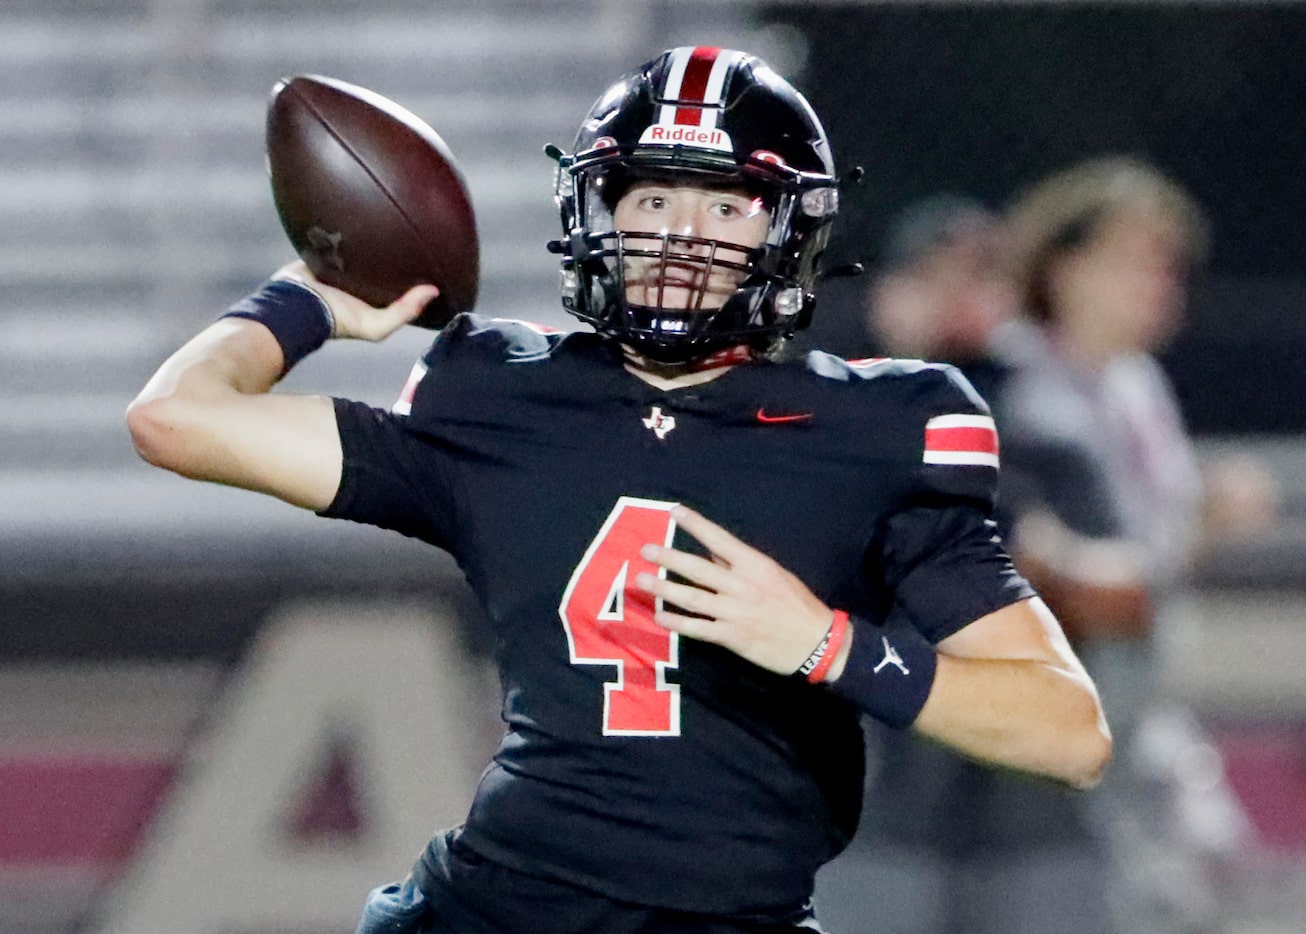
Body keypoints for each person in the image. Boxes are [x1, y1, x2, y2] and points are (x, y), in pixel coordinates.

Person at [127, 47, 1111, 934]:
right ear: (598, 214)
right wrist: (308, 295)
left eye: (725, 206)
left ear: (788, 231)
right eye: (651, 201)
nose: (682, 237)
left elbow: (1065, 730)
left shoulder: (877, 426)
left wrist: (824, 642)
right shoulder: (501, 393)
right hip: (494, 909)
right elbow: (176, 419)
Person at [814, 194, 1121, 934]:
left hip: (1031, 806)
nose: (956, 299)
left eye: (979, 278)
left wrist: (1046, 559)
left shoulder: (1050, 444)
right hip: (872, 805)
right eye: (933, 278)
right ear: (888, 293)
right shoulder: (826, 435)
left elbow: (1129, 593)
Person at [995, 156, 1270, 934]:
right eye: (1130, 262)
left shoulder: (1135, 384)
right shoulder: (1015, 383)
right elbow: (1051, 563)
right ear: (1062, 267)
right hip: (1049, 724)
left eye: (1166, 267)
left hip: (1139, 705)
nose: (1157, 286)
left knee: (1213, 881)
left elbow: (1152, 558)